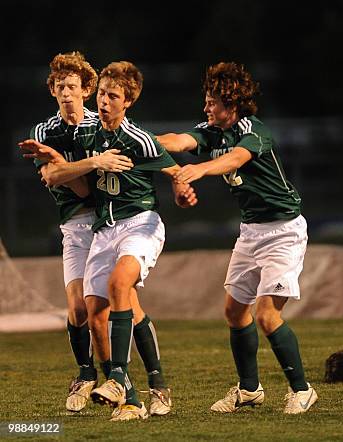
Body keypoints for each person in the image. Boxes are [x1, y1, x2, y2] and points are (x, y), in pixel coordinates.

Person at [157, 61, 317, 414]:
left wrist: (199, 169)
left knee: (266, 316)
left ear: (230, 102)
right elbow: (180, 140)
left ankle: (302, 390)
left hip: (283, 230)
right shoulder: (211, 130)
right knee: (233, 311)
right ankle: (249, 390)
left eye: (212, 101)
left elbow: (235, 159)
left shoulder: (253, 130)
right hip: (251, 231)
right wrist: (141, 141)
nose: (206, 107)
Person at [76, 60, 196, 422]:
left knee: (119, 284)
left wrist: (181, 189)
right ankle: (142, 394)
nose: (104, 101)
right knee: (96, 312)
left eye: (113, 96)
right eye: (101, 94)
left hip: (140, 223)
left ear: (129, 101)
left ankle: (114, 378)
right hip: (104, 229)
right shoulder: (88, 134)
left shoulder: (139, 139)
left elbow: (174, 170)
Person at [22, 51, 132, 414]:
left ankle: (125, 380)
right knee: (75, 308)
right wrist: (90, 164)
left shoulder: (96, 123)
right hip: (73, 225)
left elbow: (85, 187)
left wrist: (65, 167)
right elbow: (53, 179)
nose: (65, 93)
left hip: (106, 223)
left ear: (86, 89)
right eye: (59, 86)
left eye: (72, 86)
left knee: (107, 307)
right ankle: (86, 375)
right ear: (52, 91)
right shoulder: (44, 131)